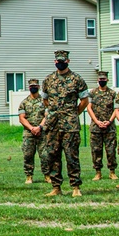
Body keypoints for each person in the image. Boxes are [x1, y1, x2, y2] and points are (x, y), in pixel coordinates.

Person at [42, 50, 89, 197]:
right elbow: (45, 100)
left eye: (62, 60)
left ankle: (75, 187)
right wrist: (52, 112)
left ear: (68, 61)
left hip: (70, 125)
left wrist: (73, 114)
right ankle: (56, 187)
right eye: (57, 61)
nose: (59, 63)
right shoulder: (48, 80)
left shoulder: (77, 79)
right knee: (53, 155)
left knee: (71, 156)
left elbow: (84, 101)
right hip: (53, 125)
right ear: (55, 62)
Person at [86, 70, 118, 182]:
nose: (102, 81)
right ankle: (98, 172)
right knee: (96, 151)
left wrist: (109, 121)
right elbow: (89, 108)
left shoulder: (113, 93)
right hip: (96, 127)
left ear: (107, 80)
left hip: (110, 127)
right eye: (100, 79)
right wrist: (97, 121)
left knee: (111, 150)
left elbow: (116, 109)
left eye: (104, 79)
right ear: (97, 80)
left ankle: (112, 172)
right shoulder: (92, 93)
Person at [18, 78, 49, 184]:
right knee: (28, 155)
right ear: (29, 87)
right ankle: (29, 176)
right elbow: (22, 118)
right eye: (31, 86)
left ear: (39, 87)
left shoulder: (44, 102)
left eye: (35, 86)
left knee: (45, 155)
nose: (33, 88)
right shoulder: (24, 102)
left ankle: (47, 175)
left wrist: (39, 127)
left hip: (42, 132)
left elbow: (47, 116)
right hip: (28, 133)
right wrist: (31, 128)